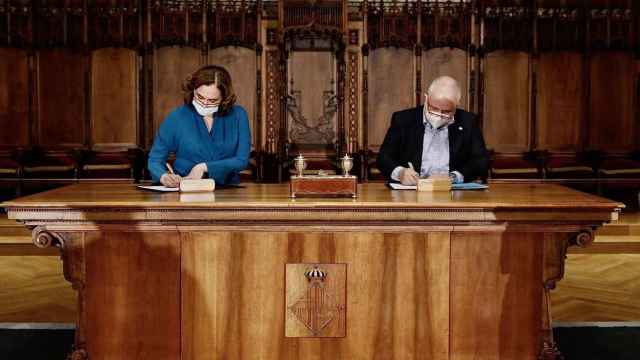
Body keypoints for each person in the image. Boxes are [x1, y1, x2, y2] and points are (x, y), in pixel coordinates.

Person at [148, 65, 251, 187]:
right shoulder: (177, 117)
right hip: (186, 190)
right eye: (200, 97)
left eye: (212, 100)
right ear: (193, 90)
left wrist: (203, 167)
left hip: (228, 191)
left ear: (224, 98)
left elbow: (242, 160)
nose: (205, 104)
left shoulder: (238, 115)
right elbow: (155, 160)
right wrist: (164, 176)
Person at [377, 75, 488, 185]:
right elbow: (383, 158)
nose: (439, 115)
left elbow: (480, 161)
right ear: (426, 98)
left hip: (452, 191)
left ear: (456, 105)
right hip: (411, 191)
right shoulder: (403, 120)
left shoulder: (467, 121)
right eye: (433, 108)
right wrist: (400, 172)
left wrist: (453, 177)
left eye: (446, 111)